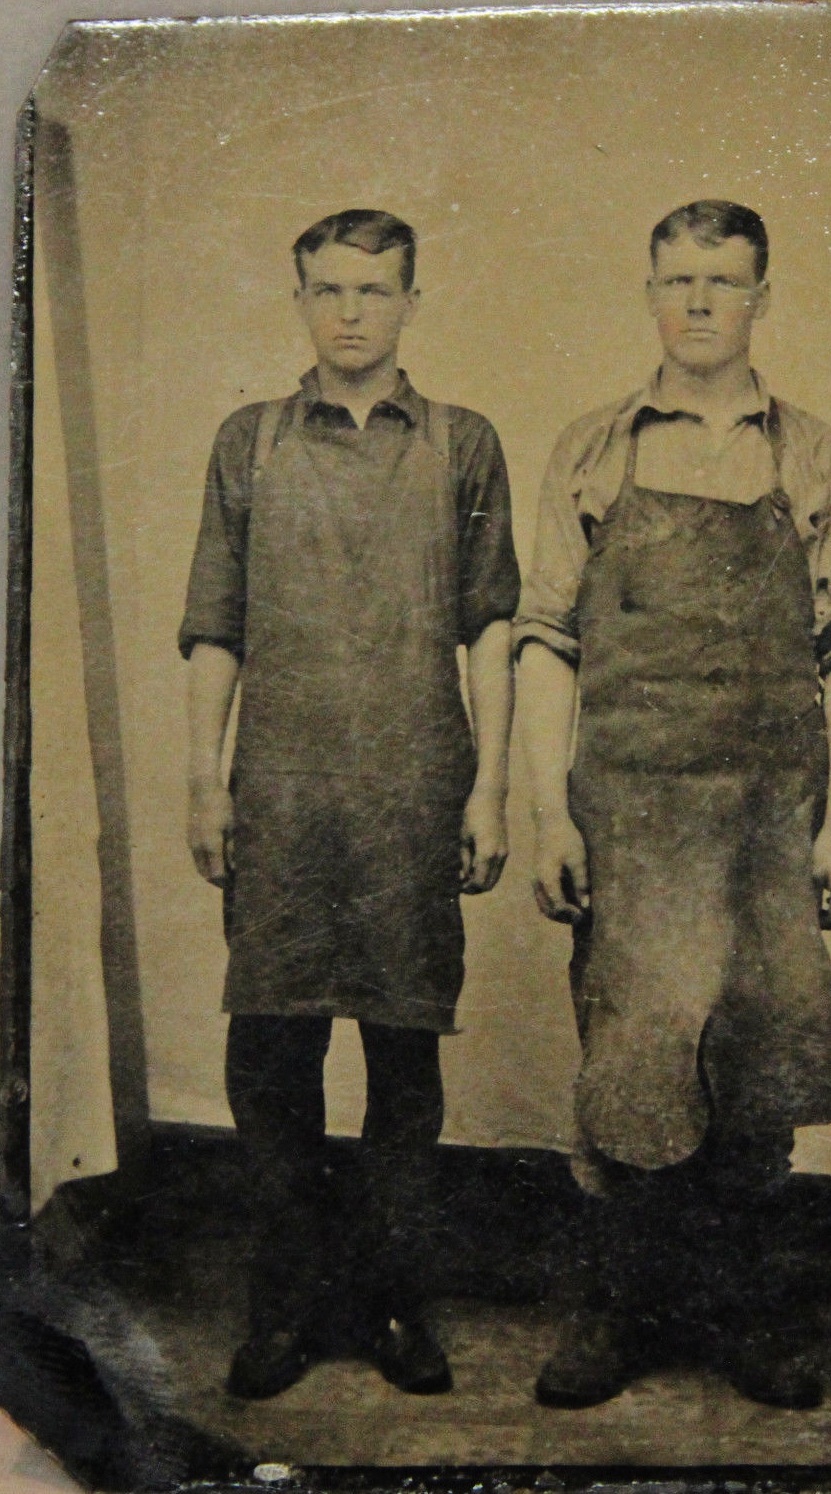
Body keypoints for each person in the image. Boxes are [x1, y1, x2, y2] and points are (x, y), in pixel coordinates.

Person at [515, 200, 831, 1410]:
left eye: (721, 281)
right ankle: (619, 1312)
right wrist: (548, 814)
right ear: (648, 293)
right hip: (627, 818)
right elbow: (544, 640)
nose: (696, 302)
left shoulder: (813, 456)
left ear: (758, 299)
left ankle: (741, 1315)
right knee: (630, 1060)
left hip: (767, 822)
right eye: (676, 279)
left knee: (757, 1062)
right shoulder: (591, 449)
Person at [179, 209, 519, 1401]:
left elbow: (491, 629)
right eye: (327, 290)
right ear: (299, 301)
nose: (350, 313)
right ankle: (283, 1307)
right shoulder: (250, 442)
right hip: (280, 796)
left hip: (413, 794)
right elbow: (214, 626)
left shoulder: (462, 444)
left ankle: (392, 1305)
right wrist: (204, 781)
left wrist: (490, 787)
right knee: (271, 1058)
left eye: (374, 291)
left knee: (402, 1066)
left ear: (410, 303)